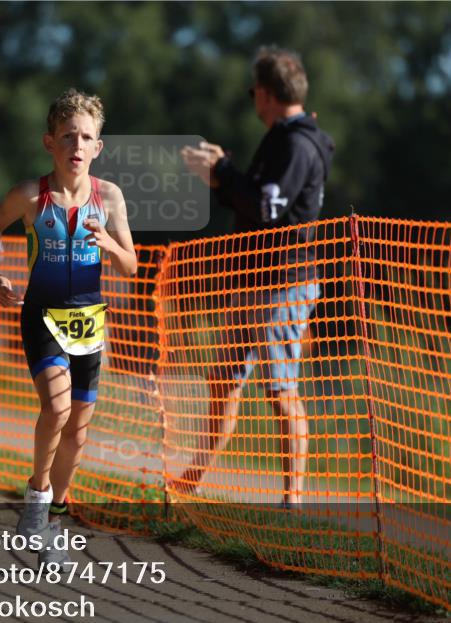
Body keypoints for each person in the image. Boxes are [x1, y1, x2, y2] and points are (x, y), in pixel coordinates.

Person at [0, 89, 137, 567]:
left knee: (78, 433)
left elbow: (131, 265)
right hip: (43, 314)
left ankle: (53, 522)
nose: (77, 144)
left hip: (90, 319)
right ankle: (36, 498)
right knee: (56, 406)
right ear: (49, 142)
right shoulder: (30, 196)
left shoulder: (109, 197)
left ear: (98, 148)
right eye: (68, 135)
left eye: (86, 137)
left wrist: (110, 244)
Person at [179, 47, 335, 508]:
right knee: (223, 378)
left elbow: (269, 207)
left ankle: (293, 501)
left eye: (254, 92)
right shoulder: (282, 138)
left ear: (265, 94)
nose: (253, 100)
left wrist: (223, 170)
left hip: (283, 281)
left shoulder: (296, 143)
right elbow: (258, 204)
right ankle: (193, 480)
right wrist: (219, 180)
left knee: (281, 390)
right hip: (255, 279)